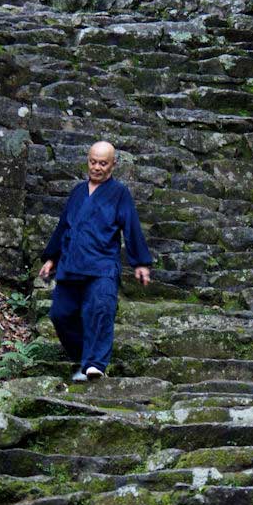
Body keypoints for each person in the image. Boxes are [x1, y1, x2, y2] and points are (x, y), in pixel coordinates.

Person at [39, 141, 152, 381]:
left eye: (103, 163)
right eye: (93, 161)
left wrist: (140, 263)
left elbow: (131, 226)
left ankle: (95, 364)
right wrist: (52, 258)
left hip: (102, 265)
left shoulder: (119, 193)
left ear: (113, 164)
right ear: (87, 159)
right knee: (60, 314)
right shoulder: (78, 191)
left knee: (100, 310)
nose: (97, 167)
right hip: (71, 264)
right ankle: (84, 356)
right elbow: (63, 227)